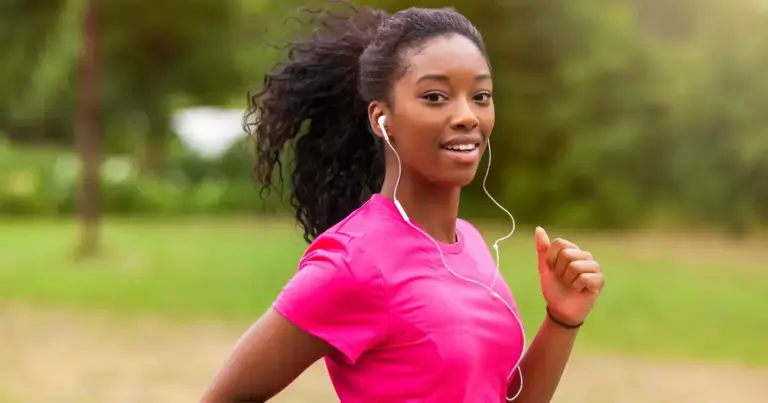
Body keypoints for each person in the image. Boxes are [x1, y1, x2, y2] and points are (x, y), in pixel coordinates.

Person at [200, 3, 605, 403]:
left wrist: (562, 319)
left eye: (480, 95)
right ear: (381, 118)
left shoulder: (471, 243)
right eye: (435, 96)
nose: (467, 115)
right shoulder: (354, 260)